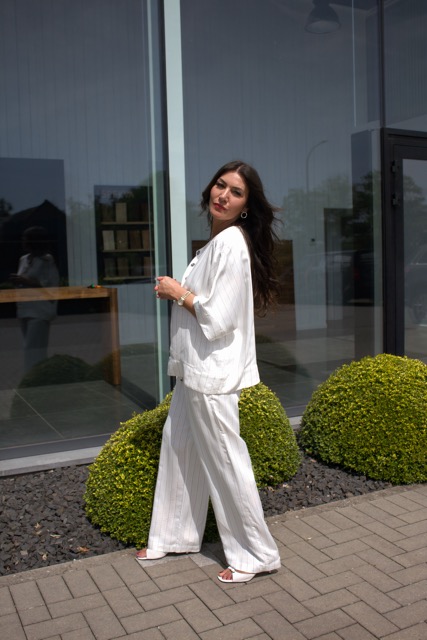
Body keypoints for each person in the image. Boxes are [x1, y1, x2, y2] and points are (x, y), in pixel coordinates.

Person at [136, 160, 281, 582]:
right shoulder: (214, 244)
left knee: (225, 460)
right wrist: (181, 293)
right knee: (179, 446)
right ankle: (173, 536)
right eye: (221, 185)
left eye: (236, 192)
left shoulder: (231, 243)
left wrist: (177, 292)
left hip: (212, 374)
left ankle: (256, 554)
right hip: (193, 370)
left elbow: (220, 318)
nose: (224, 195)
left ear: (246, 206)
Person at [10, 226, 59, 372]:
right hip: (24, 309)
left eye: (26, 239)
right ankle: (34, 375)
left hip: (40, 310)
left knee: (33, 348)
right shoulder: (23, 259)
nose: (23, 241)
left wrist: (27, 282)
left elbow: (51, 286)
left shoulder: (47, 261)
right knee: (31, 347)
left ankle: (34, 377)